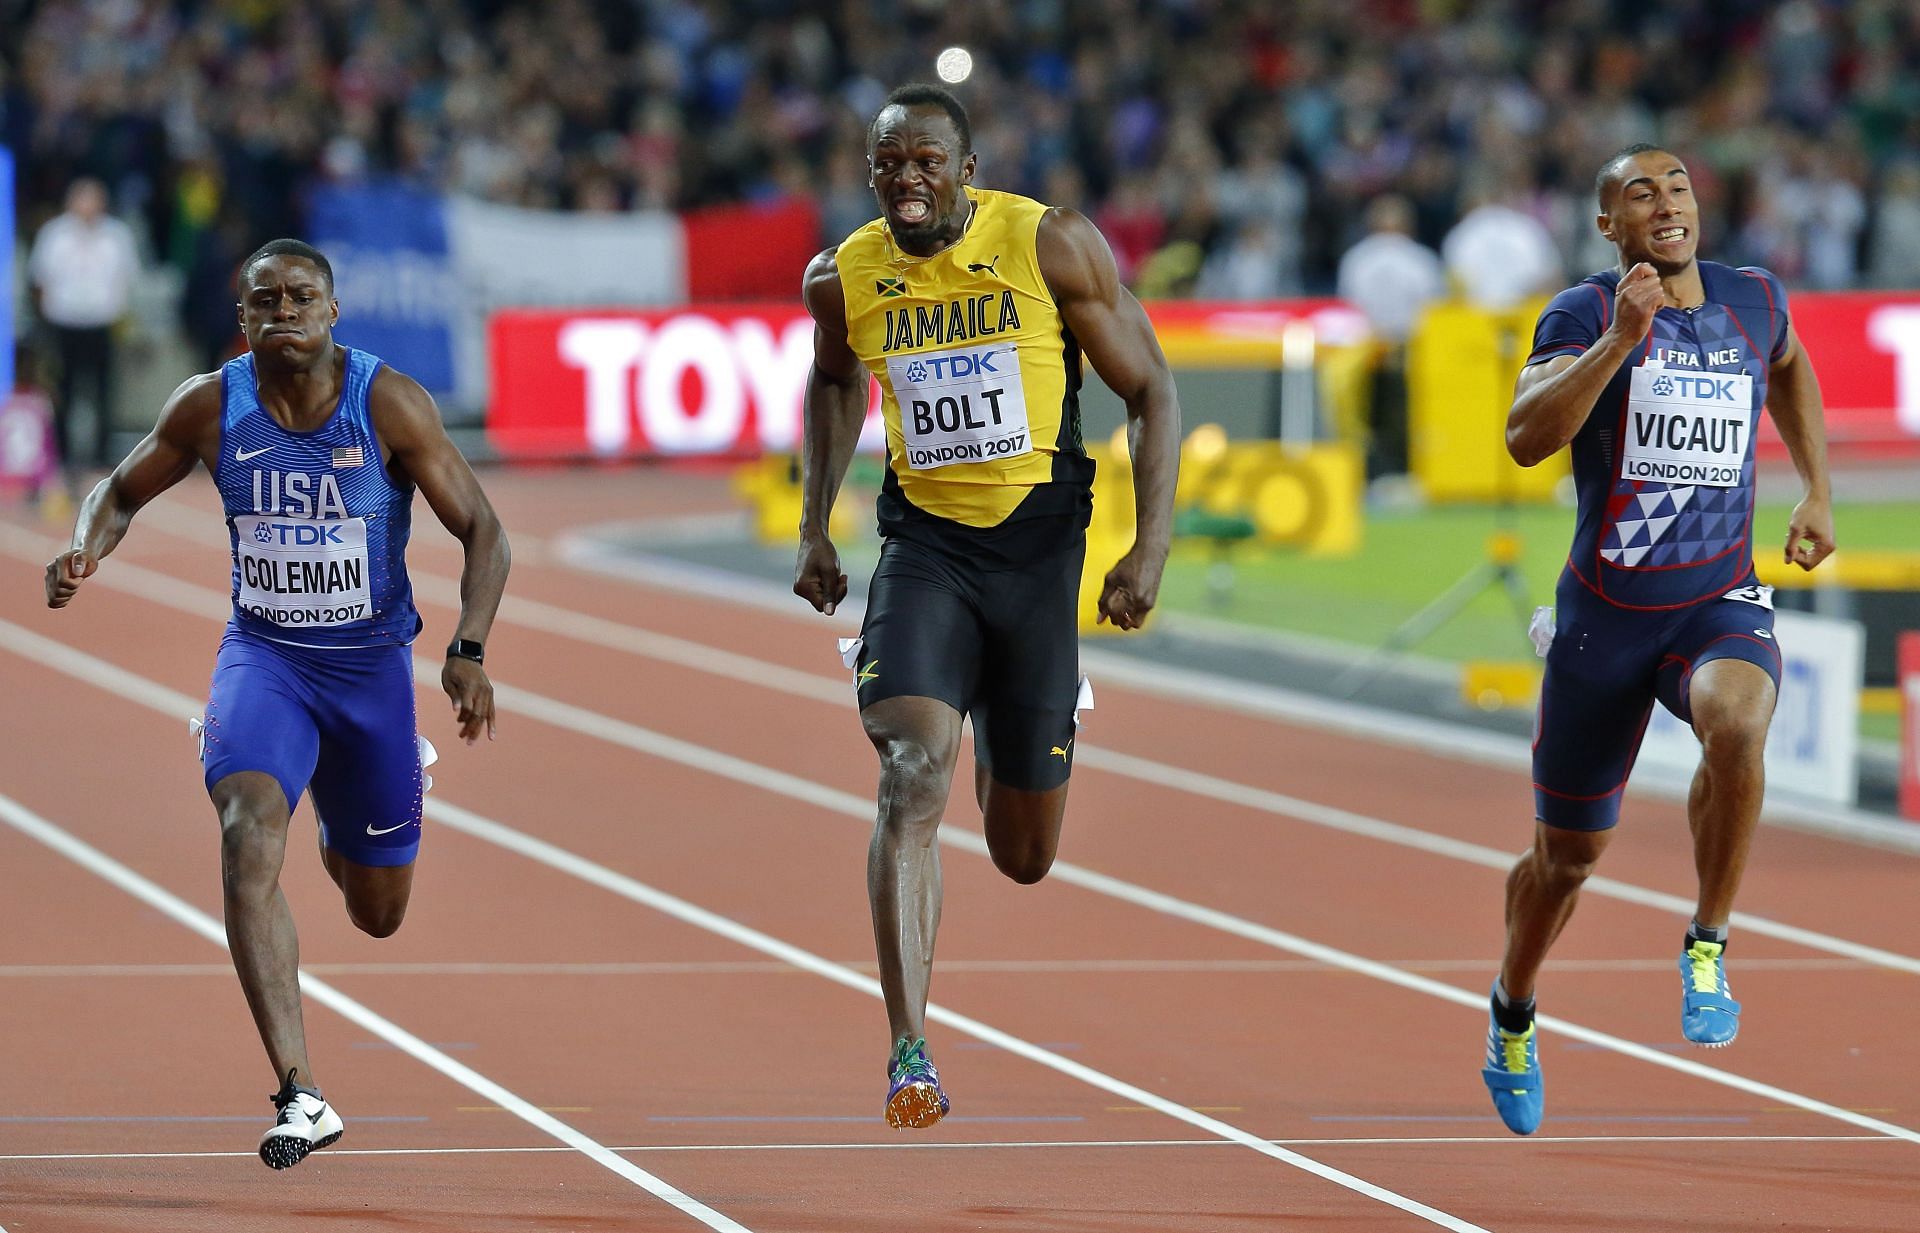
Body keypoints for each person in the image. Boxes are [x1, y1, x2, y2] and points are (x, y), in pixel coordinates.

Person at [44, 239, 510, 1169]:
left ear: (333, 312)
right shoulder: (213, 403)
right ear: (244, 317)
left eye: (302, 297)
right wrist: (85, 546)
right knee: (247, 828)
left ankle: (362, 800)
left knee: (377, 911)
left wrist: (466, 648)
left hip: (371, 672)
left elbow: (485, 529)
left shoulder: (388, 402)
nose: (284, 312)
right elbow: (119, 487)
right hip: (265, 660)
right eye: (266, 301)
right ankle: (301, 1091)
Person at [793, 83, 1181, 1129]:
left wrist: (1148, 548)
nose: (907, 181)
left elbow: (1151, 391)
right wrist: (814, 522)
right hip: (925, 554)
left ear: (966, 169)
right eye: (888, 165)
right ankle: (908, 1050)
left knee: (1022, 853)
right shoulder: (846, 274)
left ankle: (1032, 718)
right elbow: (834, 384)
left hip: (1040, 560)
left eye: (926, 162)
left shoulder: (1050, 244)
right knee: (911, 770)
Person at [1482, 145, 1835, 1134]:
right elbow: (1523, 436)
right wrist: (1618, 344)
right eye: (1641, 193)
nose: (1666, 204)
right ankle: (1514, 1006)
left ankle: (1710, 940)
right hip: (1605, 622)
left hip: (1715, 599)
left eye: (1677, 186)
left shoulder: (1753, 297)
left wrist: (1818, 488)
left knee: (1740, 722)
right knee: (1567, 860)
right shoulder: (1585, 311)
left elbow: (1791, 364)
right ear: (1610, 225)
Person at [27, 177, 141, 495]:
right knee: (63, 391)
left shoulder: (116, 235)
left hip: (102, 324)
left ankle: (100, 456)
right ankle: (63, 456)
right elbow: (39, 279)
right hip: (64, 324)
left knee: (103, 391)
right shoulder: (54, 235)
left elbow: (128, 277)